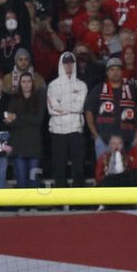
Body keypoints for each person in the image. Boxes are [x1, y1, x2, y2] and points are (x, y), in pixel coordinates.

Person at [47, 52, 89, 185]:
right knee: (59, 167)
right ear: (61, 64)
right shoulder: (53, 85)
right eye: (66, 62)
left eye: (71, 62)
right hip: (58, 130)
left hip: (76, 129)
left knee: (78, 168)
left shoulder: (82, 85)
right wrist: (72, 106)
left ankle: (79, 203)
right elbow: (52, 109)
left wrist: (63, 106)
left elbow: (81, 106)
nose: (69, 65)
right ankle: (60, 202)